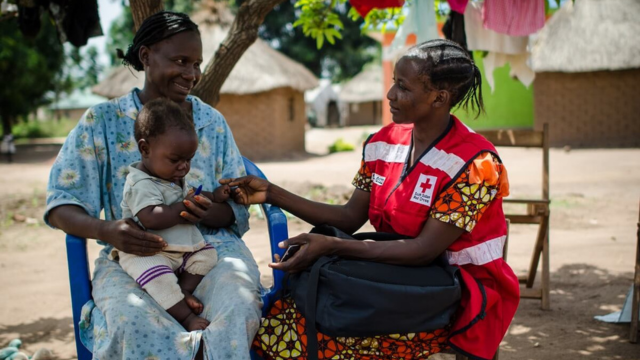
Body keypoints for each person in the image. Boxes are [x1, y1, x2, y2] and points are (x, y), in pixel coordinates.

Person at [225, 39, 520, 360]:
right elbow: (352, 216)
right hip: (397, 272)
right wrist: (271, 193)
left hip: (458, 289)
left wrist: (333, 245)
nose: (391, 95)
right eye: (394, 83)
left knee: (328, 331)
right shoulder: (383, 144)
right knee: (285, 326)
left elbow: (423, 250)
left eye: (403, 88)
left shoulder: (476, 164)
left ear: (440, 97)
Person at [45, 11, 261, 360]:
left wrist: (212, 210)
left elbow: (237, 207)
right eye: (180, 61)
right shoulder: (102, 123)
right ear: (146, 57)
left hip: (210, 251)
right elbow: (61, 203)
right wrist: (108, 229)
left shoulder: (211, 122)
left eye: (196, 63)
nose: (191, 74)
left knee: (237, 305)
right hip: (136, 253)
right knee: (131, 321)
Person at [116, 98, 232, 331]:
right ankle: (186, 317)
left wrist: (215, 195)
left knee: (208, 255)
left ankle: (185, 290)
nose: (184, 167)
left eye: (188, 160)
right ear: (145, 149)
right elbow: (151, 217)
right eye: (176, 160)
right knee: (158, 278)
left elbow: (190, 194)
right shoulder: (139, 183)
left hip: (179, 249)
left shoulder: (170, 175)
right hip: (148, 251)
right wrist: (183, 208)